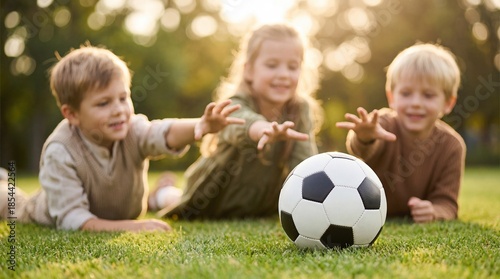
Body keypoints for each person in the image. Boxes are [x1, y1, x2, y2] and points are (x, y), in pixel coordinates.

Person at [0, 45, 244, 232]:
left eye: (123, 97)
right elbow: (75, 220)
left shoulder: (130, 128)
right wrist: (134, 227)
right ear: (72, 114)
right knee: (10, 200)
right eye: (104, 103)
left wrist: (200, 125)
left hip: (117, 207)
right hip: (32, 210)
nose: (118, 109)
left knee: (143, 199)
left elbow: (161, 133)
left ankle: (158, 195)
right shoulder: (60, 151)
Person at [157, 23, 324, 220]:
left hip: (262, 204)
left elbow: (304, 164)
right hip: (214, 198)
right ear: (249, 71)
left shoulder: (299, 109)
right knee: (176, 199)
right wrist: (262, 129)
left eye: (292, 67)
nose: (284, 75)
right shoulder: (234, 103)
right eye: (272, 65)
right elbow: (239, 122)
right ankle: (161, 193)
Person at [336, 43, 466, 223]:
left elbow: (447, 203)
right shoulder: (382, 124)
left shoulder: (452, 146)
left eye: (428, 95)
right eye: (406, 93)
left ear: (448, 103)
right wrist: (365, 137)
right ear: (392, 97)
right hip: (365, 215)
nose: (416, 103)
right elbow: (362, 150)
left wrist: (434, 211)